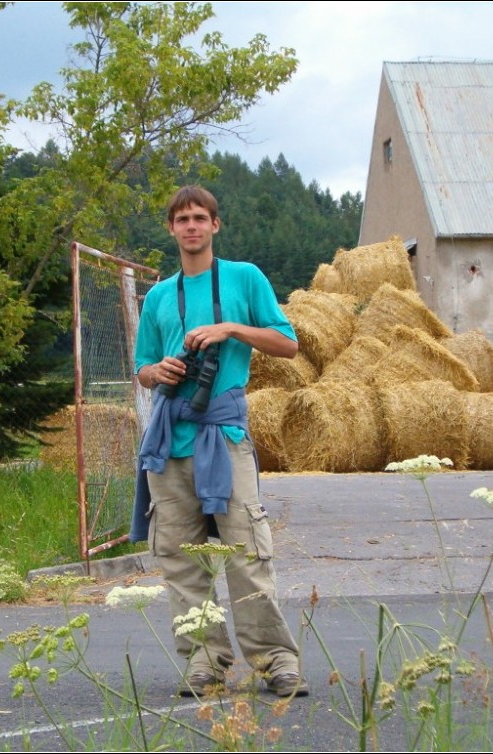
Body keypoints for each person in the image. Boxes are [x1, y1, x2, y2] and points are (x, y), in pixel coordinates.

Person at [129, 185, 308, 699]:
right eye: (181, 218)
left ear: (215, 225)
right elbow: (142, 367)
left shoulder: (244, 278)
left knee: (247, 555)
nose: (191, 226)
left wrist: (230, 328)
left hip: (225, 436)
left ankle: (276, 661)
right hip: (169, 442)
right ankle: (204, 663)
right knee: (182, 562)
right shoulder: (161, 295)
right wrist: (155, 371)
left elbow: (288, 344)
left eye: (200, 217)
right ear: (171, 228)